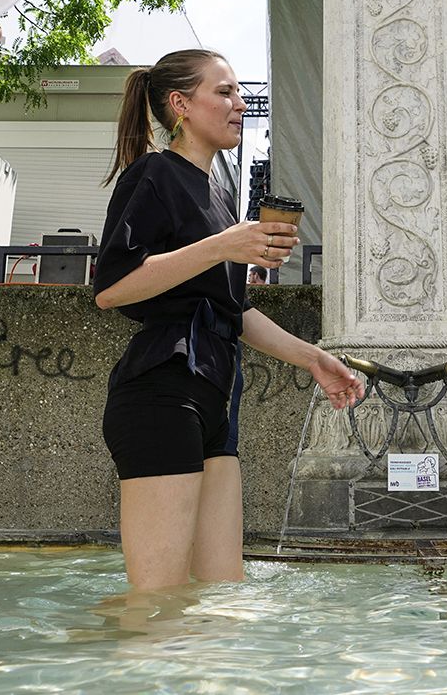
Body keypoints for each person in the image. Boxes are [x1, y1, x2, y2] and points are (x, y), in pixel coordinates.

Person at [94, 49, 362, 591]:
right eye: (224, 92)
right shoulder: (154, 174)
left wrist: (314, 359)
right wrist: (226, 243)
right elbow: (112, 288)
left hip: (217, 393)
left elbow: (231, 312)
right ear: (181, 105)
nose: (240, 104)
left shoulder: (219, 194)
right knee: (157, 603)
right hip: (162, 391)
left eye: (238, 93)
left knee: (222, 593)